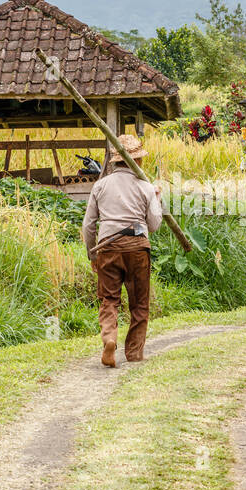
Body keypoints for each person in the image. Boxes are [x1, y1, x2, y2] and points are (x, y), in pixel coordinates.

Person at [81, 134, 162, 368]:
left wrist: (93, 255)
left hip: (107, 247)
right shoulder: (145, 187)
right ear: (137, 161)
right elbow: (154, 226)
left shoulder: (101, 185)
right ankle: (135, 352)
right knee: (139, 303)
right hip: (137, 248)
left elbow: (88, 225)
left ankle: (109, 339)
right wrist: (156, 199)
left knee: (109, 299)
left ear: (115, 161)